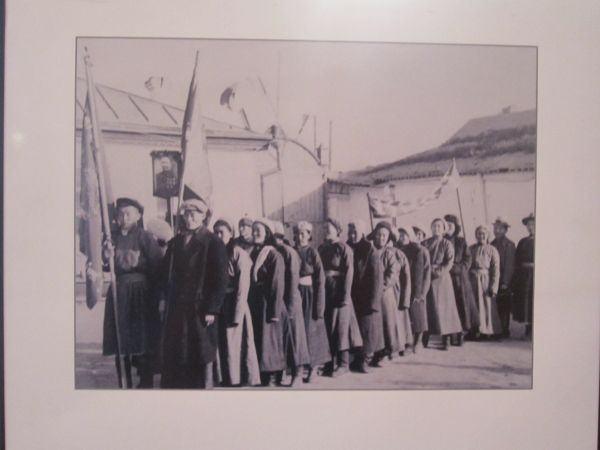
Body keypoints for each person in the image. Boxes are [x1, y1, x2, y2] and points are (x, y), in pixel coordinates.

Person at [159, 197, 228, 389]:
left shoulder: (213, 242)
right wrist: (163, 298)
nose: (189, 219)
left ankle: (203, 389)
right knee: (179, 350)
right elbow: (165, 273)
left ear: (203, 216)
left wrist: (212, 309)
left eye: (193, 215)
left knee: (200, 351)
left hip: (200, 307)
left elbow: (220, 279)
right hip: (178, 306)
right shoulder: (176, 243)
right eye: (186, 215)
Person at [102, 198, 163, 389]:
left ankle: (145, 382)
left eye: (128, 213)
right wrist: (106, 257)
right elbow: (106, 266)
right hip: (119, 293)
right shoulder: (111, 238)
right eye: (121, 214)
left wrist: (157, 297)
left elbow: (157, 267)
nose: (124, 217)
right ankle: (124, 380)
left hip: (140, 294)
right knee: (121, 340)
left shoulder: (145, 237)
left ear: (138, 215)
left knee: (142, 339)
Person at [213, 218, 261, 387]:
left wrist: (238, 313)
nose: (218, 236)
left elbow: (243, 286)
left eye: (222, 232)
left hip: (234, 303)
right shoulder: (215, 253)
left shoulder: (238, 253)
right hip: (221, 303)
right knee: (223, 343)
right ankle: (225, 377)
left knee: (236, 342)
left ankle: (238, 378)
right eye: (216, 233)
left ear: (231, 233)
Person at [318, 218, 363, 376]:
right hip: (326, 293)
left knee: (342, 329)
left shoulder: (344, 249)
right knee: (328, 327)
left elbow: (349, 273)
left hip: (340, 294)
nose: (325, 231)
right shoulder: (322, 248)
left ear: (337, 230)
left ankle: (344, 364)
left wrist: (345, 296)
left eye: (328, 228)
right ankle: (329, 364)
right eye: (324, 228)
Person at [247, 218, 287, 386]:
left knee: (270, 340)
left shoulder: (273, 255)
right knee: (260, 338)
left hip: (269, 302)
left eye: (258, 230)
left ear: (267, 233)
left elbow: (277, 284)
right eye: (253, 230)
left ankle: (272, 375)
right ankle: (263, 374)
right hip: (256, 301)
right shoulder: (253, 253)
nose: (255, 233)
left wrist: (274, 311)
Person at [272, 221, 311, 387]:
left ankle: (298, 373)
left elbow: (293, 279)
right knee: (283, 339)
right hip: (280, 301)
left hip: (291, 299)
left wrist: (290, 305)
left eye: (276, 236)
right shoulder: (273, 251)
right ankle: (280, 373)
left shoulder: (288, 252)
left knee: (296, 338)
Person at [294, 221, 331, 383]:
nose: (300, 236)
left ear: (309, 235)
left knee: (312, 331)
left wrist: (319, 304)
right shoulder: (293, 251)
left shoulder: (313, 252)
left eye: (304, 233)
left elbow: (320, 279)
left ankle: (313, 367)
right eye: (298, 233)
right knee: (299, 330)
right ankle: (298, 366)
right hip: (296, 294)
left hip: (310, 294)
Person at [347, 219, 383, 372]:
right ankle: (355, 359)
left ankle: (365, 360)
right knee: (354, 329)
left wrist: (373, 301)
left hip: (366, 296)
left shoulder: (370, 250)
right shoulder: (347, 247)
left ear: (362, 233)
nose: (352, 235)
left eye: (355, 232)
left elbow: (377, 278)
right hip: (352, 295)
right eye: (350, 232)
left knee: (366, 330)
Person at [422, 218, 462, 350]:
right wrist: (427, 271)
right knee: (429, 308)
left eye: (439, 226)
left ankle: (447, 338)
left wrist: (437, 272)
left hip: (442, 280)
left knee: (445, 309)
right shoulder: (425, 243)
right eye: (434, 226)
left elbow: (449, 262)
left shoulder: (447, 244)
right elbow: (422, 260)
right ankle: (425, 338)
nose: (436, 229)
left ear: (444, 229)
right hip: (428, 279)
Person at [370, 221, 406, 364]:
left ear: (388, 238)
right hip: (372, 293)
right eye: (378, 235)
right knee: (376, 322)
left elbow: (393, 274)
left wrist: (381, 286)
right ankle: (377, 351)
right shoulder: (370, 252)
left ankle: (390, 350)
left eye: (384, 235)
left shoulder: (389, 253)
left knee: (388, 322)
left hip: (385, 294)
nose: (381, 238)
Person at [444, 214, 479, 344]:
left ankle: (460, 334)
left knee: (461, 305)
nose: (448, 227)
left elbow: (468, 259)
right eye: (446, 225)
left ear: (455, 227)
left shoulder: (461, 241)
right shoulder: (442, 241)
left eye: (450, 225)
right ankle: (448, 335)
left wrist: (459, 269)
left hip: (460, 279)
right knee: (447, 306)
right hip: (445, 278)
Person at [397, 225, 431, 353]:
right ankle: (407, 342)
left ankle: (418, 341)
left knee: (418, 316)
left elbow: (424, 273)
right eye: (400, 235)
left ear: (409, 236)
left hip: (417, 288)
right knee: (406, 316)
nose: (401, 238)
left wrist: (421, 293)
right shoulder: (398, 249)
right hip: (404, 287)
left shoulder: (419, 250)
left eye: (404, 235)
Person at [469, 225, 502, 338]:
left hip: (485, 280)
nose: (481, 236)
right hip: (472, 280)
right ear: (476, 235)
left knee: (486, 305)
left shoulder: (492, 250)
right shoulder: (471, 249)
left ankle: (487, 331)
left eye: (483, 234)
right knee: (474, 305)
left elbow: (496, 270)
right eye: (479, 234)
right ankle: (474, 330)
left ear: (487, 235)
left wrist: (494, 287)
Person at [490, 217, 516, 338]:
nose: (497, 231)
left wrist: (505, 281)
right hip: (494, 278)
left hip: (504, 280)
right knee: (495, 304)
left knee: (504, 305)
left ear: (505, 230)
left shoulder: (509, 244)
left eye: (500, 228)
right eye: (495, 228)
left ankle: (504, 330)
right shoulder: (492, 244)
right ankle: (496, 329)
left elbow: (510, 265)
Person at [512, 213, 535, 338]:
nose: (530, 227)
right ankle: (528, 328)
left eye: (533, 224)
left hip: (536, 275)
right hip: (524, 275)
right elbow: (516, 259)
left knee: (534, 299)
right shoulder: (522, 241)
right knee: (525, 302)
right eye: (528, 225)